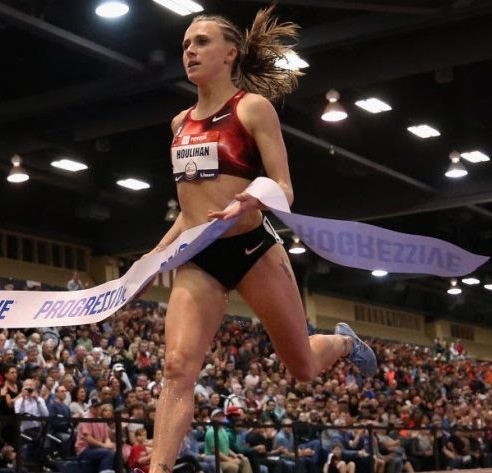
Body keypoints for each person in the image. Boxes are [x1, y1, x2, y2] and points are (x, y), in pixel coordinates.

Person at [145, 7, 376, 473]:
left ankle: (342, 344)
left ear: (230, 53)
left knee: (302, 368)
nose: (190, 51)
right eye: (186, 44)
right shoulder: (179, 123)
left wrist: (254, 198)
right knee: (177, 368)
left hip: (252, 250)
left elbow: (284, 188)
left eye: (202, 42)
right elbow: (190, 209)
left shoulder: (251, 108)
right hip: (199, 257)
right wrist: (156, 253)